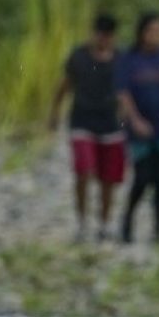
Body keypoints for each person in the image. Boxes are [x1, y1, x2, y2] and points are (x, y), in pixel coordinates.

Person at [49, 14, 126, 242]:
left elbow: (126, 91)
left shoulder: (121, 59)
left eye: (107, 36)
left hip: (110, 122)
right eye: (100, 34)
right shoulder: (79, 57)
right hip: (82, 120)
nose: (103, 40)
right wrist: (54, 112)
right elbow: (64, 85)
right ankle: (82, 223)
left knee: (108, 179)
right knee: (84, 170)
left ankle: (104, 223)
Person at [115, 11, 159, 245]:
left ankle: (158, 231)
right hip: (139, 129)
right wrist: (135, 120)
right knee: (142, 177)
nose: (156, 35)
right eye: (152, 31)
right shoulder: (130, 59)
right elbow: (123, 94)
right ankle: (128, 220)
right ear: (142, 33)